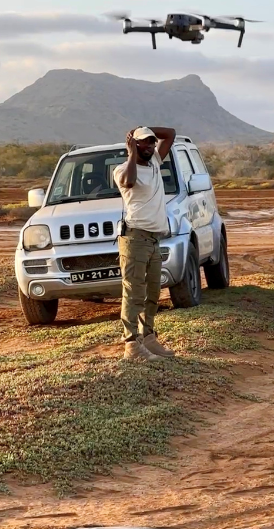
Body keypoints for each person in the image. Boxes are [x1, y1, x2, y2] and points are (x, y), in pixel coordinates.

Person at [113, 126, 178, 362]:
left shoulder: (155, 163)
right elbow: (129, 183)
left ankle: (148, 337)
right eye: (144, 142)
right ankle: (131, 345)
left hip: (153, 239)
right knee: (134, 292)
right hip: (135, 239)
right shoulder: (123, 169)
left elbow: (170, 133)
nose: (150, 146)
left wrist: (144, 126)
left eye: (152, 142)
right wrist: (132, 152)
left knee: (152, 292)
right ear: (133, 145)